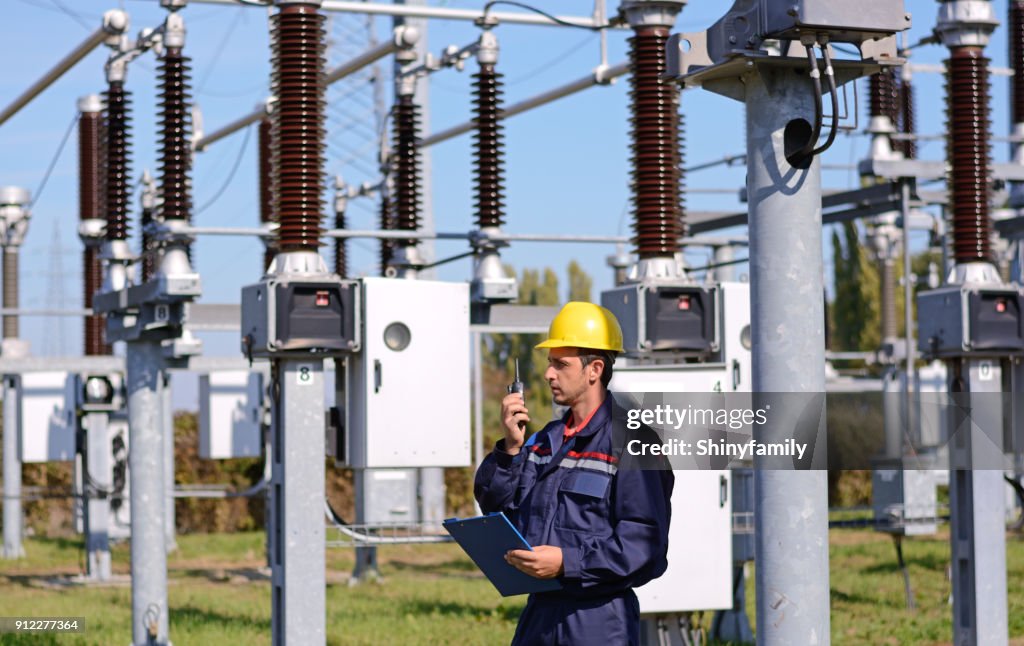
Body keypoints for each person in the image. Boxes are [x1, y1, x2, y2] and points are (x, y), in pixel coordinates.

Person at [475, 301, 674, 645]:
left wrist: (568, 563)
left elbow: (644, 546)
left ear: (594, 369)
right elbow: (497, 508)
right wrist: (509, 448)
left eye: (560, 364)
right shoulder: (542, 442)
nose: (548, 374)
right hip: (539, 614)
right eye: (549, 363)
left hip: (598, 620)